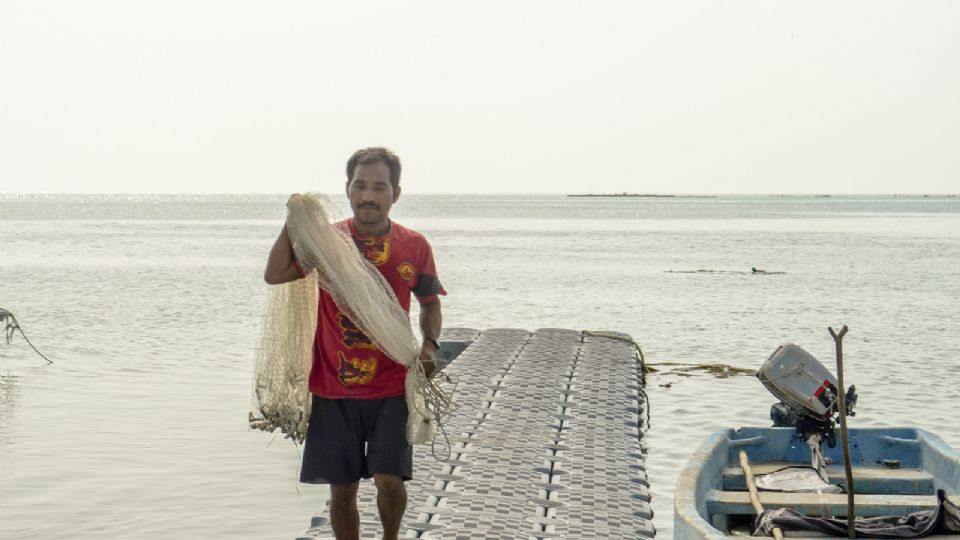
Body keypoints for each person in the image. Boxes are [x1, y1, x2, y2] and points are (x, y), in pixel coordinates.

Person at [263, 147, 445, 540]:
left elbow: (430, 303)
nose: (368, 196)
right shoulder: (327, 244)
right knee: (342, 490)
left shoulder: (415, 246)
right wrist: (294, 221)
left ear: (396, 193)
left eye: (379, 187)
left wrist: (430, 346)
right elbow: (275, 274)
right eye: (360, 186)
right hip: (333, 388)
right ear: (347, 189)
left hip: (392, 387)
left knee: (389, 482)